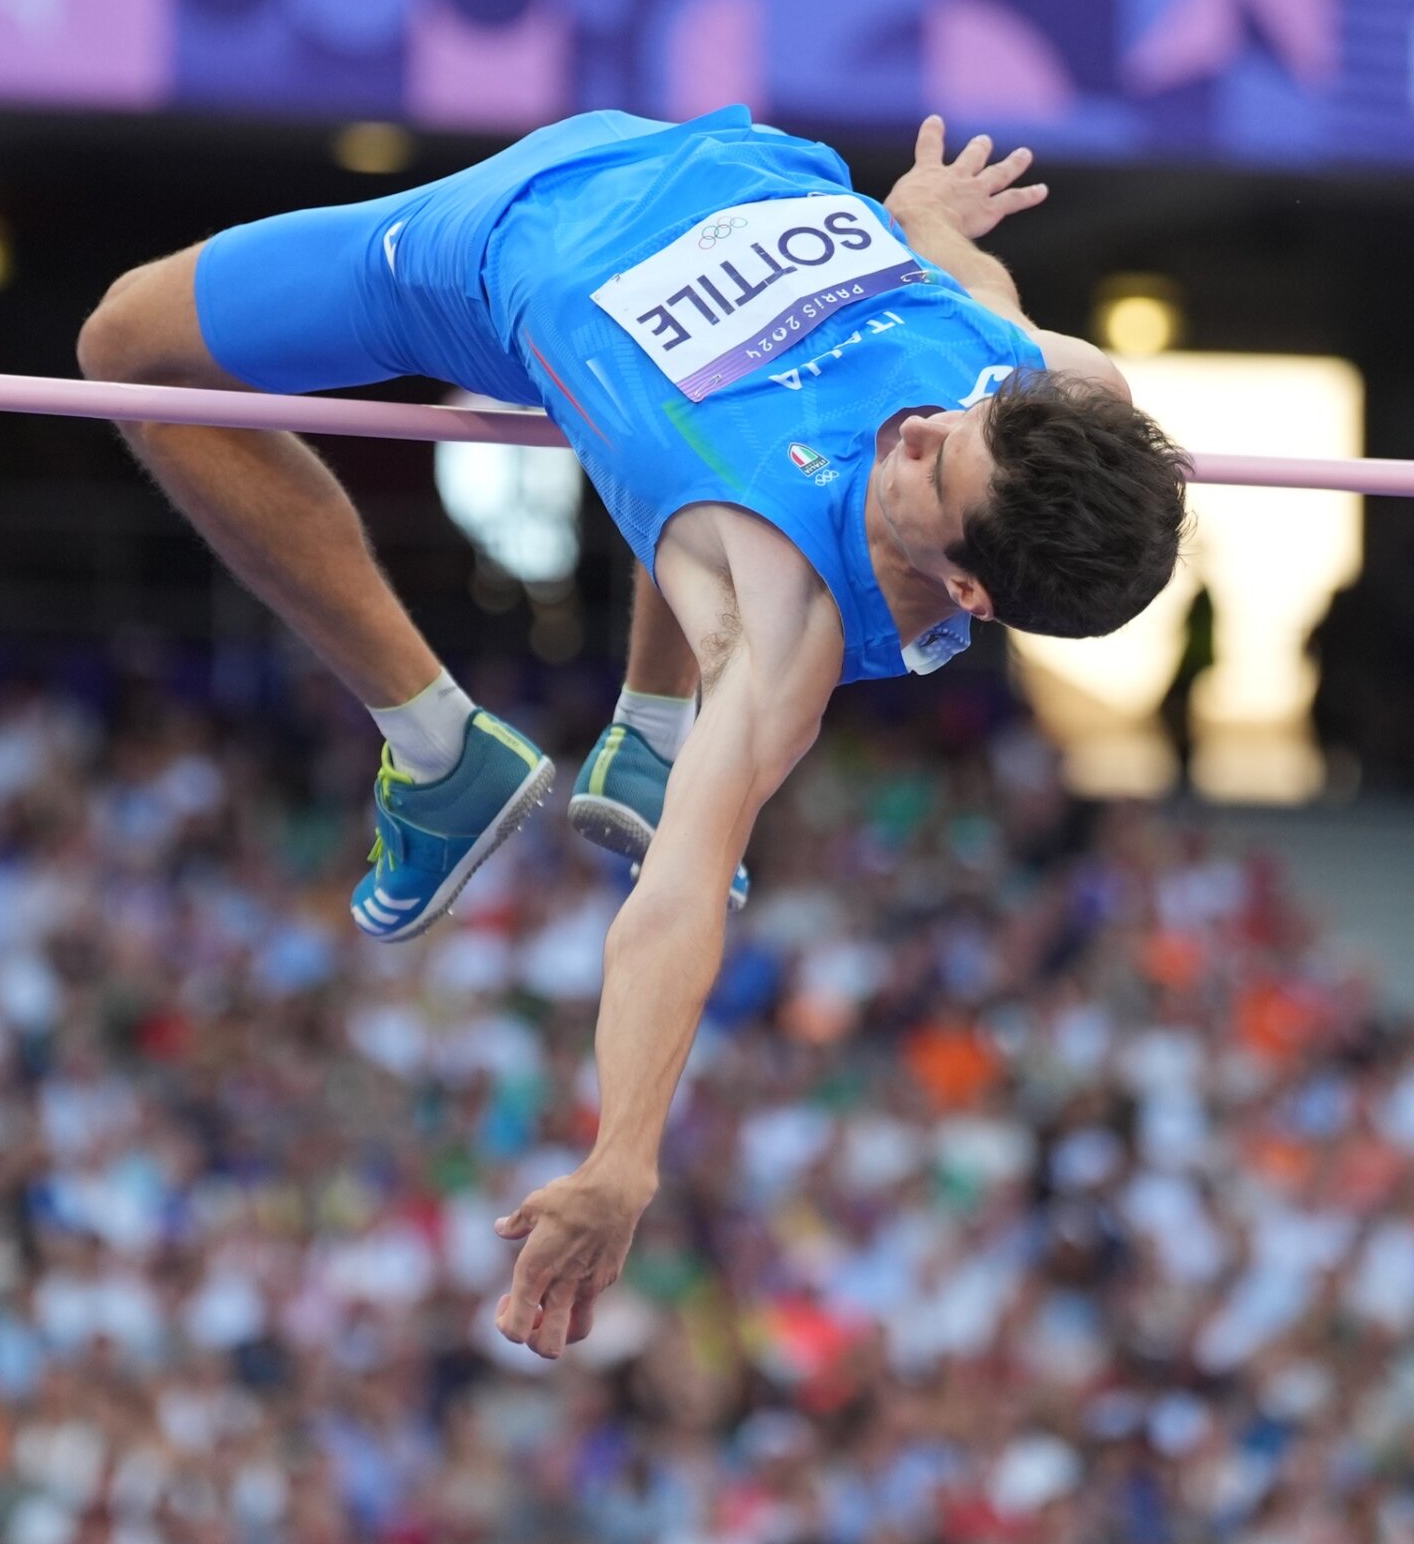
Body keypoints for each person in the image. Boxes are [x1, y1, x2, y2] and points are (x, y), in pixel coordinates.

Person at [76, 105, 1190, 1362]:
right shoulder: (1061, 395)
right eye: (968, 414)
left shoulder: (785, 624)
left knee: (127, 345)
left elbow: (677, 905)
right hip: (746, 168)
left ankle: (437, 742)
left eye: (936, 468)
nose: (924, 422)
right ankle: (645, 736)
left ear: (971, 591)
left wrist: (624, 1159)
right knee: (735, 453)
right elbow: (976, 306)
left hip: (498, 245)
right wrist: (927, 229)